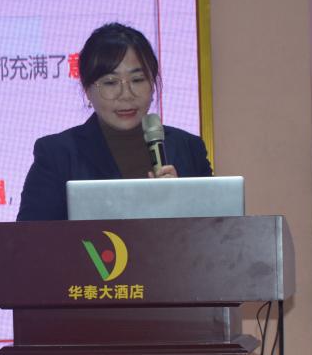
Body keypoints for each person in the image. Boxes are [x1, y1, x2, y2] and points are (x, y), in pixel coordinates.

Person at [17, 22, 212, 220]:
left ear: (152, 84)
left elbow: (219, 231)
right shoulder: (57, 155)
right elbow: (30, 235)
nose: (126, 94)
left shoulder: (189, 149)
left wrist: (181, 204)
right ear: (87, 90)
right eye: (110, 82)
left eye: (137, 80)